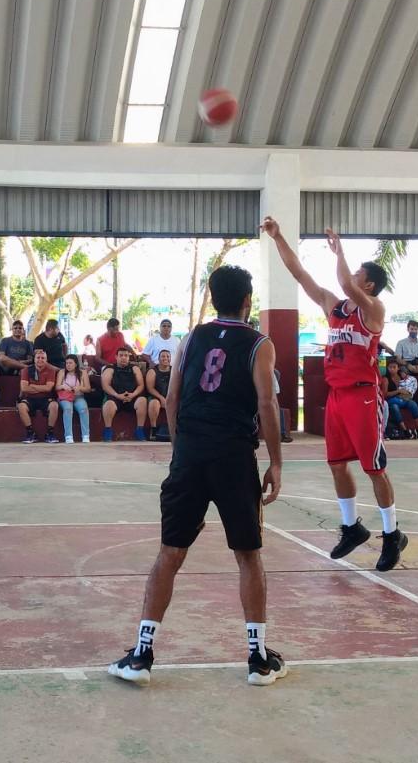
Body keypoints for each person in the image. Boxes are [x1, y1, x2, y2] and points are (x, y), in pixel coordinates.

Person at [107, 265, 285, 688]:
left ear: (211, 296)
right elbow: (266, 405)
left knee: (170, 552)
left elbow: (171, 399)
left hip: (191, 452)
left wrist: (180, 452)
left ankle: (142, 655)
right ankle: (258, 659)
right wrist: (276, 462)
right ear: (248, 300)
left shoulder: (191, 338)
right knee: (248, 554)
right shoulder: (260, 344)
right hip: (234, 455)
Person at [263, 217, 407, 572]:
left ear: (368, 283)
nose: (350, 277)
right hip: (337, 396)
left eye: (358, 274)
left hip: (363, 396)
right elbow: (299, 275)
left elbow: (343, 280)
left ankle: (392, 535)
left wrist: (339, 248)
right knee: (337, 464)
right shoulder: (334, 307)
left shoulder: (373, 309)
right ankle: (351, 527)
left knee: (374, 467)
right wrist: (279, 238)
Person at [102, 347, 148, 442]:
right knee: (108, 405)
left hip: (132, 397)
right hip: (115, 397)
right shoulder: (110, 369)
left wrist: (133, 395)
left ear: (129, 357)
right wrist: (117, 395)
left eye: (126, 355)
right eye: (121, 355)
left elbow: (141, 385)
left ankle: (139, 430)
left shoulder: (135, 368)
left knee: (142, 401)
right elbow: (105, 386)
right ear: (116, 357)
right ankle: (108, 430)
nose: (123, 358)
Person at [16, 348, 59, 444]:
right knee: (21, 406)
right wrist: (40, 388)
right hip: (30, 398)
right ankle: (31, 433)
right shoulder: (26, 370)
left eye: (43, 358)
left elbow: (48, 388)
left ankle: (50, 433)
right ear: (34, 359)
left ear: (46, 360)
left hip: (46, 398)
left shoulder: (51, 370)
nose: (40, 360)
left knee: (54, 405)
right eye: (38, 357)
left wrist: (32, 386)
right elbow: (24, 388)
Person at [55, 354, 91, 444]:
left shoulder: (83, 373)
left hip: (78, 396)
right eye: (67, 363)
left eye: (70, 363)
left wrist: (79, 388)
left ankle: (86, 435)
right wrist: (63, 386)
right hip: (65, 397)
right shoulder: (62, 372)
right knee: (67, 409)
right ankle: (68, 435)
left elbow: (88, 389)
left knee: (83, 409)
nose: (68, 365)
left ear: (76, 364)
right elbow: (56, 387)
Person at [383, 359, 418, 440]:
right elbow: (385, 394)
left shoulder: (402, 376)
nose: (392, 369)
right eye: (390, 367)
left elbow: (409, 386)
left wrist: (407, 393)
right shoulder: (386, 379)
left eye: (394, 367)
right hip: (391, 400)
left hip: (403, 399)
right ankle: (405, 430)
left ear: (398, 368)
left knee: (413, 404)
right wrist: (398, 391)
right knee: (395, 407)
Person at [145, 349, 173, 442]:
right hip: (156, 396)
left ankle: (175, 430)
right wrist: (161, 398)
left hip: (170, 396)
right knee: (154, 403)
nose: (166, 358)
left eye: (168, 356)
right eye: (163, 356)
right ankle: (153, 430)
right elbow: (150, 388)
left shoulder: (174, 371)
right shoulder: (152, 371)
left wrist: (170, 399)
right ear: (159, 359)